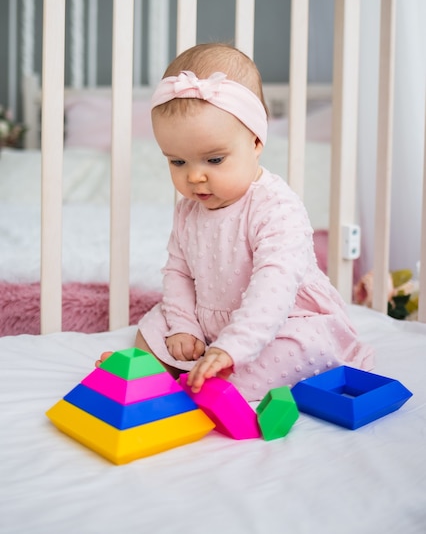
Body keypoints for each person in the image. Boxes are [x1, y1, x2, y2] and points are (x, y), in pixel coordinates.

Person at [97, 43, 374, 402]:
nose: (194, 177)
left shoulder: (275, 207)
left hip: (282, 320)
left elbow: (272, 287)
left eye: (213, 159)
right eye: (177, 162)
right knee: (152, 327)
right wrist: (184, 326)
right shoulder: (188, 210)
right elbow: (178, 272)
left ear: (256, 141)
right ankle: (160, 373)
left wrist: (233, 347)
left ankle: (197, 385)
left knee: (299, 349)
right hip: (211, 321)